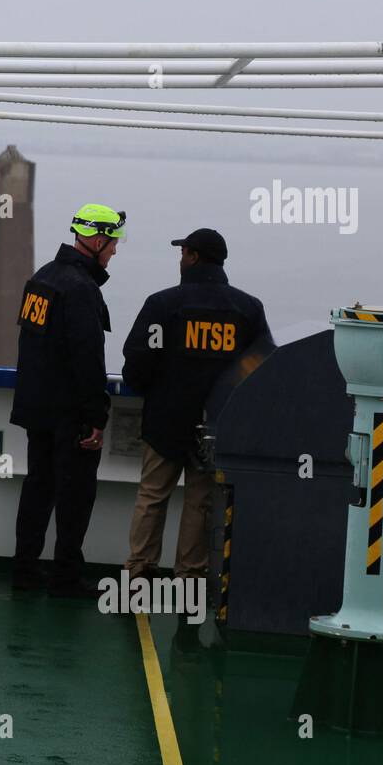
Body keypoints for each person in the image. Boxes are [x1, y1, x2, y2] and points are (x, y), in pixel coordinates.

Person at [121, 228, 271, 585]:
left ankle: (139, 570)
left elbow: (139, 359)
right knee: (201, 502)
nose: (180, 259)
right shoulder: (247, 309)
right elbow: (261, 362)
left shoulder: (163, 304)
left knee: (152, 496)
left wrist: (151, 389)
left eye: (183, 252)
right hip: (217, 425)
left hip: (165, 419)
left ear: (192, 257)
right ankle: (189, 575)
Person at [10, 202, 124, 596]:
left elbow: (30, 345)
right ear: (94, 240)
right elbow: (88, 358)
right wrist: (96, 416)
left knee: (38, 489)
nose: (114, 251)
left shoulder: (42, 278)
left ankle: (24, 570)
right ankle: (65, 577)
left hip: (36, 407)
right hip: (69, 413)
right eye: (111, 243)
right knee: (75, 496)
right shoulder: (81, 289)